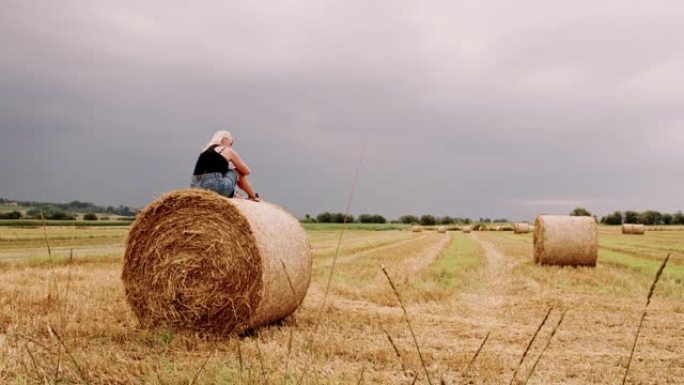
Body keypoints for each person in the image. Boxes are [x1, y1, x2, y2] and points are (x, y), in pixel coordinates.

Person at [190, 130, 260, 201]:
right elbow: (246, 171)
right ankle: (253, 195)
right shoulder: (227, 150)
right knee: (237, 171)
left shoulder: (204, 151)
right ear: (224, 139)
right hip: (216, 190)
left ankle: (236, 194)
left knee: (224, 173)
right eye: (231, 142)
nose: (231, 145)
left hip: (195, 190)